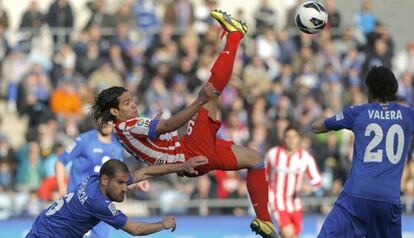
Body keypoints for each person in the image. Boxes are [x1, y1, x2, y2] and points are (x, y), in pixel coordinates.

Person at [90, 10, 279, 238]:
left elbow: (155, 147)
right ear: (114, 111)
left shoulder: (123, 131)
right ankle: (235, 34)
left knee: (255, 159)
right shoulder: (128, 126)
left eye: (132, 100)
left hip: (190, 158)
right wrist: (198, 101)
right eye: (128, 103)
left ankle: (265, 220)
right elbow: (168, 126)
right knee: (210, 93)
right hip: (189, 152)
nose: (134, 105)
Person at [312, 65, 413, 238]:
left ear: (370, 90)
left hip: (356, 196)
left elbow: (318, 127)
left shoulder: (358, 112)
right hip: (388, 199)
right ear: (394, 89)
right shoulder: (409, 115)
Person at [26, 157, 208, 238]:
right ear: (105, 180)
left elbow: (143, 172)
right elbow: (135, 229)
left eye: (125, 183)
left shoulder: (95, 179)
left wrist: (180, 166)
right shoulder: (98, 203)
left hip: (40, 229)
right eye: (120, 183)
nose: (125, 188)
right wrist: (162, 224)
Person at [55, 122, 146, 238]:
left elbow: (117, 180)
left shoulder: (117, 146)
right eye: (104, 119)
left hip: (102, 205)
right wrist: (62, 190)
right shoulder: (84, 139)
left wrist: (136, 185)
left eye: (110, 120)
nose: (107, 124)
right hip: (79, 204)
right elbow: (60, 162)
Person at [265, 125, 321, 238]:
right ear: (283, 138)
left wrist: (309, 186)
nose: (291, 140)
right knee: (288, 233)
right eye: (288, 137)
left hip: (296, 204)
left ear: (299, 138)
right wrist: (267, 195)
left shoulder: (305, 158)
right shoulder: (273, 154)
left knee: (292, 235)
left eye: (294, 137)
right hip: (277, 202)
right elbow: (262, 174)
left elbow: (317, 180)